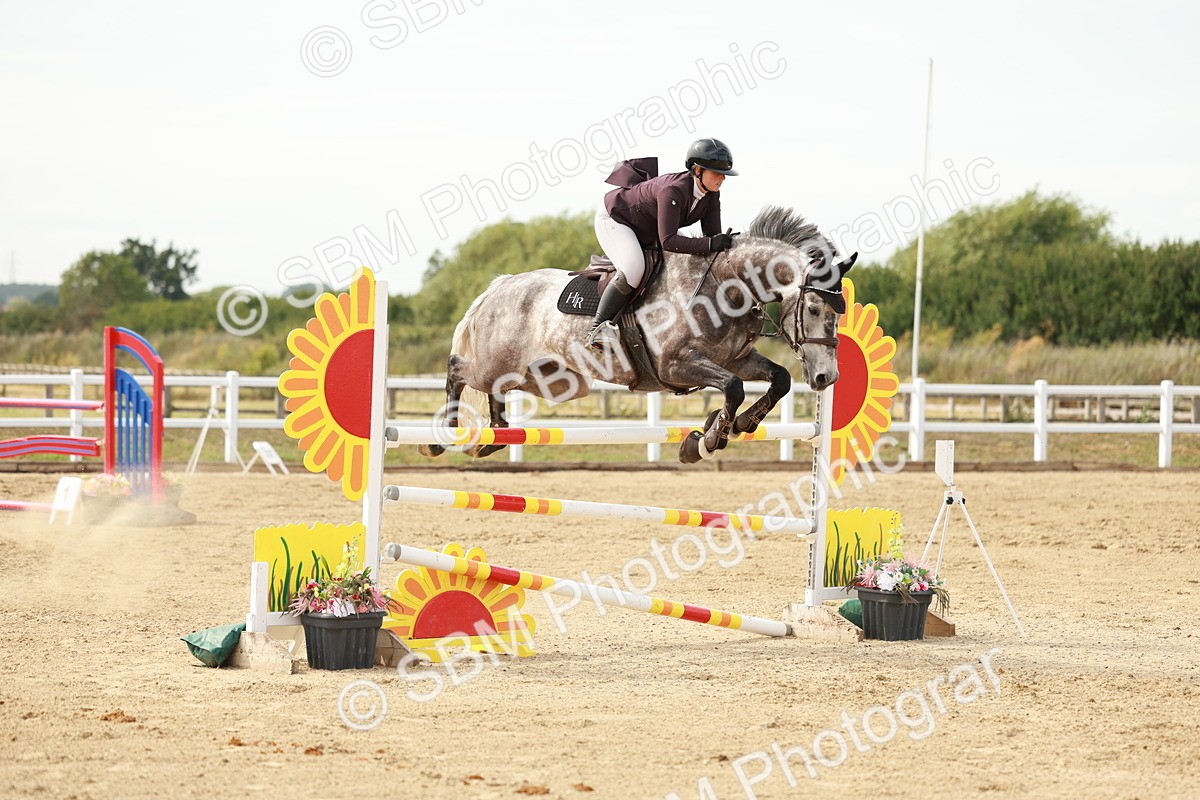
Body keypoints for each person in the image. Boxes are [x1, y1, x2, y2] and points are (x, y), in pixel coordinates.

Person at [586, 137, 738, 351]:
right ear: (697, 170)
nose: (722, 178)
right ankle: (599, 327)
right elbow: (669, 241)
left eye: (724, 174)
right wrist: (712, 243)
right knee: (634, 267)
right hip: (615, 219)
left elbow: (712, 238)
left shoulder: (711, 196)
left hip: (645, 227)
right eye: (716, 172)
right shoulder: (674, 190)